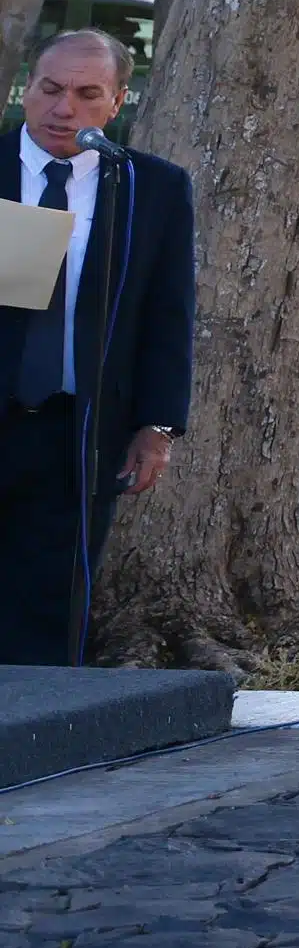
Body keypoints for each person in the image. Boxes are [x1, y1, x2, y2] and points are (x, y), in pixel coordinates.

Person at [0, 32, 190, 667]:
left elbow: (168, 314)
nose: (64, 109)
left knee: (54, 601)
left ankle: (37, 735)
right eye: (51, 90)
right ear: (27, 87)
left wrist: (156, 425)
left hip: (80, 428)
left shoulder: (150, 189)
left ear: (117, 103)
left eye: (87, 95)